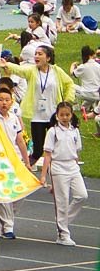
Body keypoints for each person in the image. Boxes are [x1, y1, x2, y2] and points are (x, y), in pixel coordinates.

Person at [41, 101, 87, 247]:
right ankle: (63, 234)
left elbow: (76, 151)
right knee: (62, 201)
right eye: (62, 115)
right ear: (57, 116)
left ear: (72, 115)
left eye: (67, 114)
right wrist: (44, 176)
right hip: (58, 168)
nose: (65, 117)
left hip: (72, 167)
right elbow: (47, 155)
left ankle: (63, 221)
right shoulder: (52, 132)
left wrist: (76, 165)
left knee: (82, 195)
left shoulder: (75, 131)